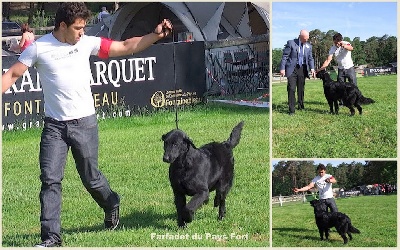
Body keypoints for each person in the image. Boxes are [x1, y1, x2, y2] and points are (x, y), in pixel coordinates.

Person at [2, 2, 172, 247]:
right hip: (54, 127)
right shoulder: (39, 48)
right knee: (50, 180)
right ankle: (51, 238)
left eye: (83, 27)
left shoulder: (86, 43)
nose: (82, 32)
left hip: (85, 124)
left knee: (90, 179)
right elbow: (11, 75)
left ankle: (111, 201)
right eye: (78, 28)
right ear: (63, 25)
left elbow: (125, 46)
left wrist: (154, 36)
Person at [280, 29, 315, 115]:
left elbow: (310, 58)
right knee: (291, 88)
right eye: (304, 39)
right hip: (292, 68)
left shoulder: (308, 46)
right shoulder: (291, 43)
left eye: (307, 39)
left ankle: (300, 105)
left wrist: (312, 69)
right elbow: (285, 56)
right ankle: (291, 110)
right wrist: (282, 68)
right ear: (300, 37)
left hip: (302, 69)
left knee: (301, 88)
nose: (306, 40)